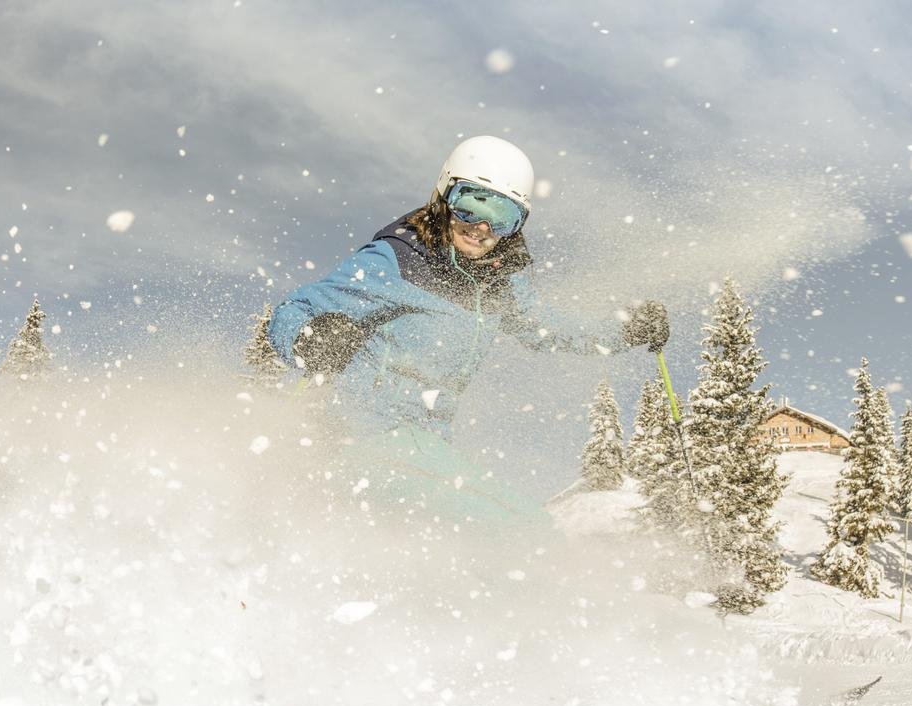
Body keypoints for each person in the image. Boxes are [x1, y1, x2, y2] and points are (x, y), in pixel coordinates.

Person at [265, 135, 669, 522]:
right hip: (361, 435)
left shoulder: (497, 285)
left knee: (440, 553)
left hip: (423, 447)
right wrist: (308, 339)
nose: (482, 228)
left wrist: (625, 331)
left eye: (503, 217)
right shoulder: (399, 259)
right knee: (527, 530)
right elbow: (295, 309)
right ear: (444, 196)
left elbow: (546, 328)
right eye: (471, 206)